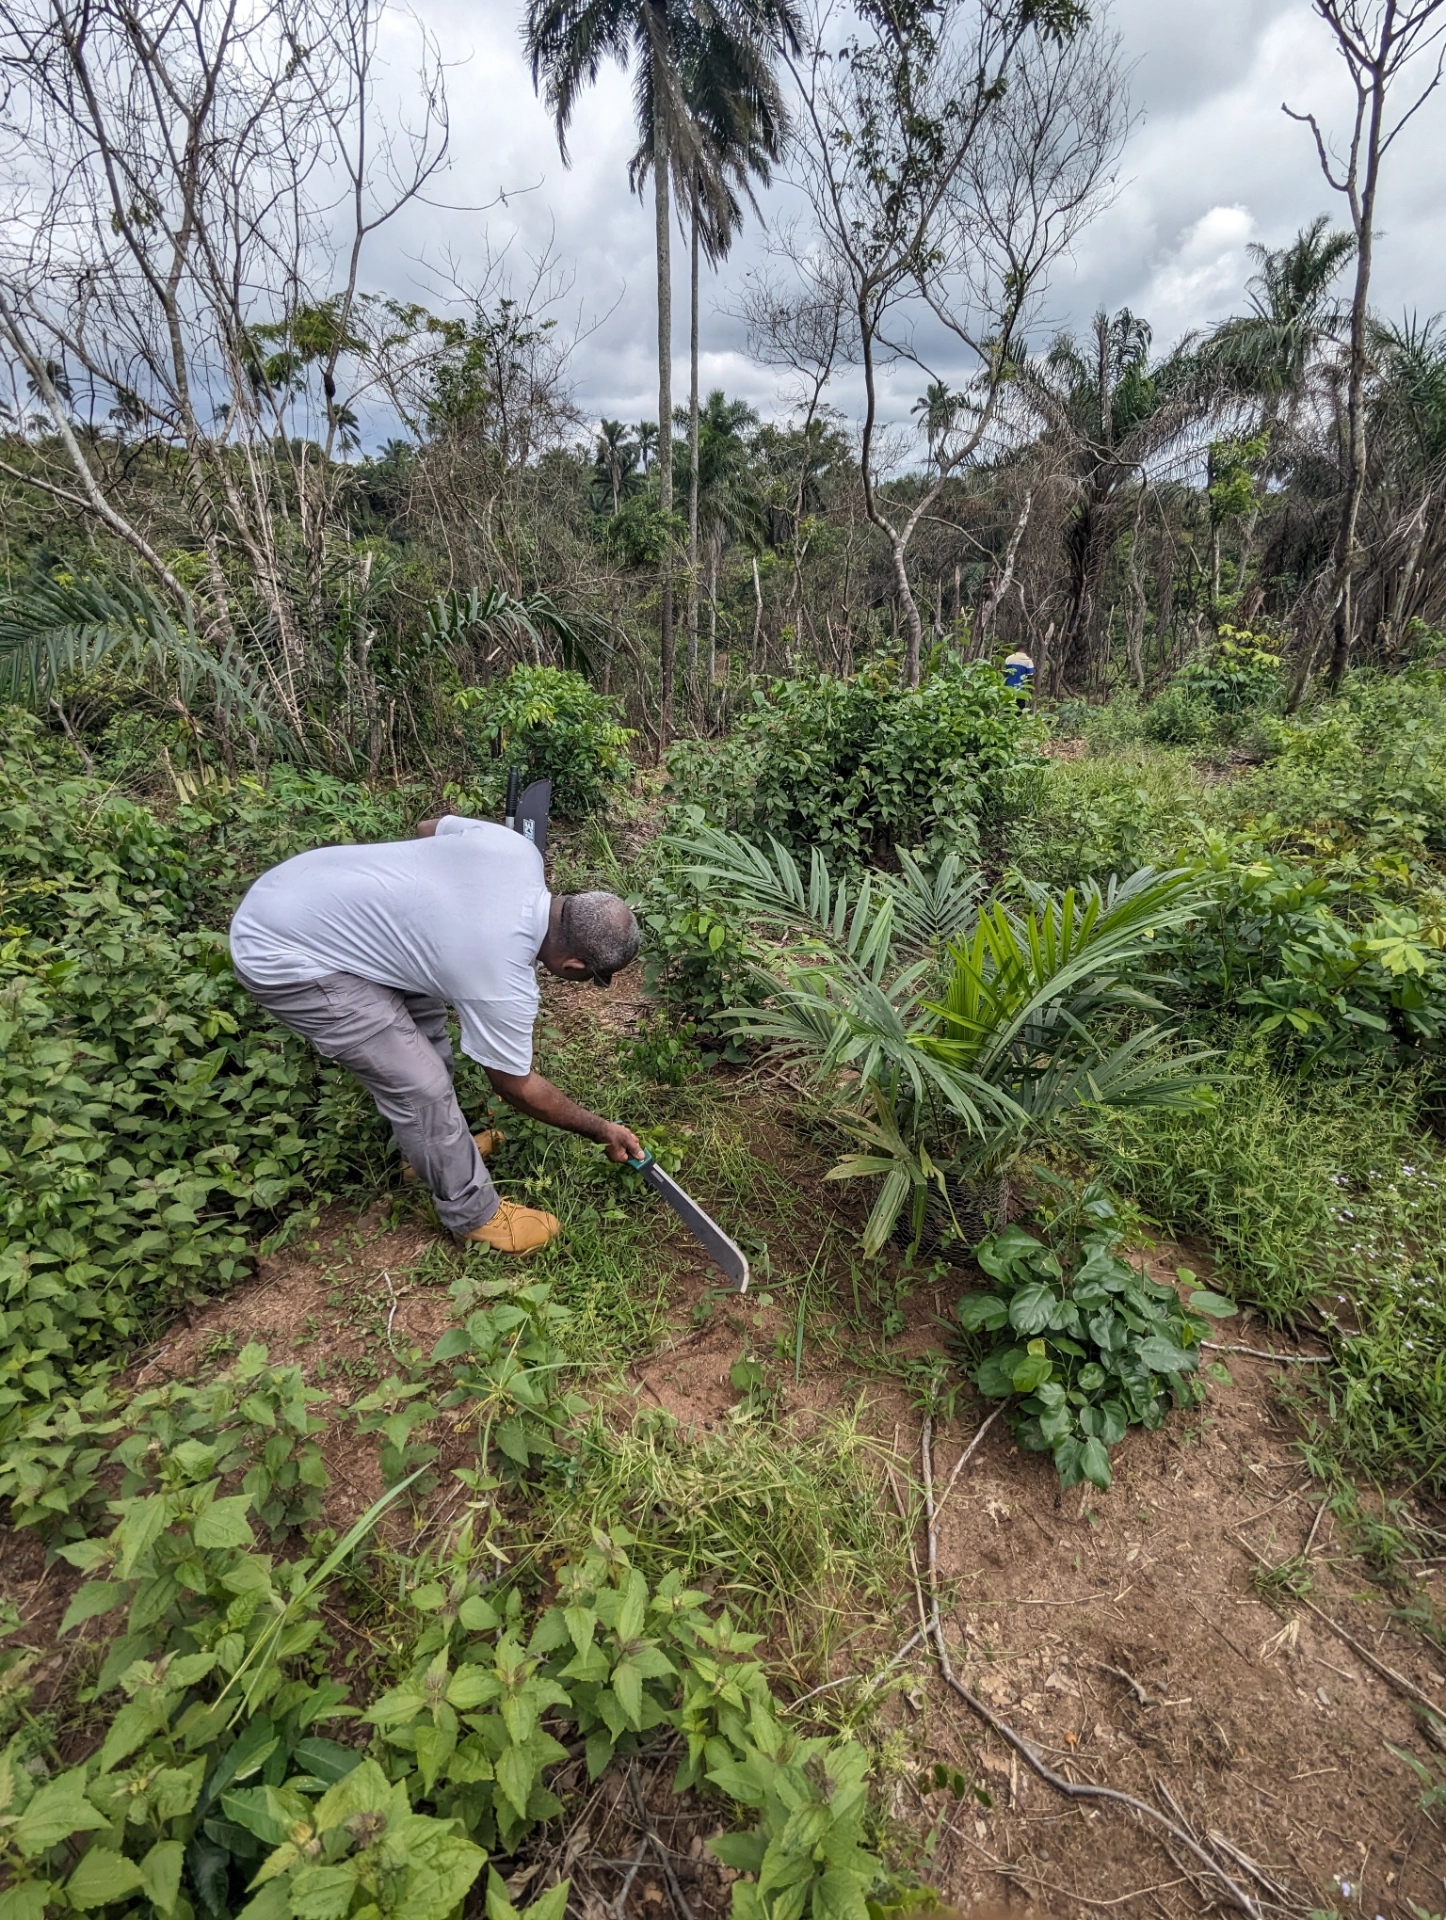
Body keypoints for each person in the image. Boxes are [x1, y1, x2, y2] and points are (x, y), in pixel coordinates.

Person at [228, 812, 644, 1254]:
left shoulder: (517, 850)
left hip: (300, 885)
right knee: (419, 1084)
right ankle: (473, 1216)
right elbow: (515, 1087)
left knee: (425, 1030)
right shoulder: (501, 977)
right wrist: (601, 1128)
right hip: (283, 952)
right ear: (573, 967)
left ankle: (429, 1154)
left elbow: (429, 828)